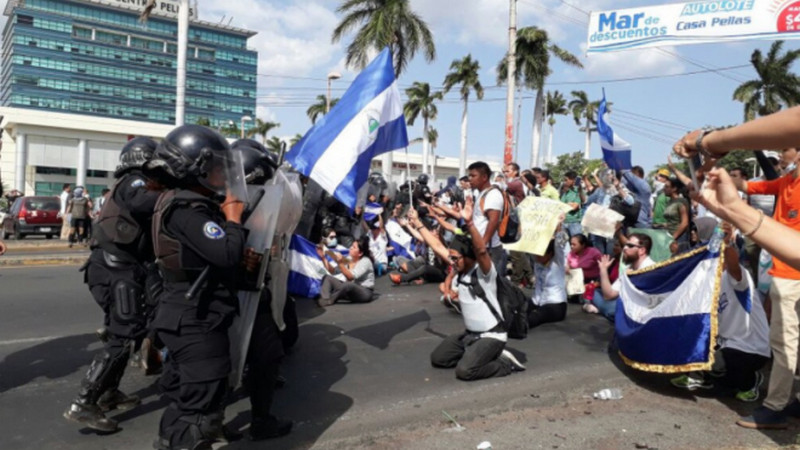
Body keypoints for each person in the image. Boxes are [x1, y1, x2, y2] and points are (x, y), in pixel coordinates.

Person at [145, 125, 250, 450]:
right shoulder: (188, 210)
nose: (222, 173)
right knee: (195, 404)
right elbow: (227, 254)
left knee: (191, 395)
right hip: (195, 318)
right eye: (216, 166)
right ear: (195, 168)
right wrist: (233, 219)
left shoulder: (179, 203)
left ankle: (170, 441)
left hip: (192, 312)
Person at [63, 137, 161, 433]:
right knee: (123, 334)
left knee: (129, 332)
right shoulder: (134, 181)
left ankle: (108, 392)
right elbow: (144, 202)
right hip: (115, 269)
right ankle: (84, 403)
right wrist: (177, 193)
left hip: (121, 269)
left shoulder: (135, 182)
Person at [230, 138, 292, 441]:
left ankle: (261, 418)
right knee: (216, 362)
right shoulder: (210, 205)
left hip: (255, 289)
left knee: (267, 355)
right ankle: (207, 421)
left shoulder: (262, 203)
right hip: (224, 294)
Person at [670, 222, 770, 403]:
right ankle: (705, 377)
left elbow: (734, 267)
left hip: (751, 347)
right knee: (690, 333)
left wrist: (728, 244)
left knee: (728, 364)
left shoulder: (738, 278)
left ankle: (750, 382)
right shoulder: (707, 283)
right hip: (725, 342)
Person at [430, 196, 525, 381]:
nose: (452, 262)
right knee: (439, 358)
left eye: (456, 258)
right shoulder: (460, 271)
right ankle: (476, 354)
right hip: (471, 335)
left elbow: (481, 251)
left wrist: (470, 223)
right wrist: (416, 223)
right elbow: (435, 245)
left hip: (492, 336)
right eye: (451, 257)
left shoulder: (484, 274)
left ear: (468, 258)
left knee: (466, 372)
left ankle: (505, 363)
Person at [591, 233, 655, 321]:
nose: (624, 248)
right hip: (625, 305)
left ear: (642, 250)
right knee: (593, 292)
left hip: (641, 313)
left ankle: (602, 310)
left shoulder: (652, 269)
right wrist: (603, 270)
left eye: (630, 246)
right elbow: (609, 295)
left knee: (611, 308)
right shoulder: (629, 269)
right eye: (625, 245)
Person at [467, 161, 506, 275]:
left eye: (473, 176)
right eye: (469, 175)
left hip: (489, 248)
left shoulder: (492, 194)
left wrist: (483, 244)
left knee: (491, 285)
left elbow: (493, 221)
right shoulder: (481, 194)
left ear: (484, 177)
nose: (470, 179)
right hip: (481, 246)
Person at [317, 235, 375, 307]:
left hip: (364, 292)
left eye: (353, 247)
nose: (350, 248)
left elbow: (351, 277)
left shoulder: (366, 261)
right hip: (350, 290)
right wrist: (323, 257)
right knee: (327, 278)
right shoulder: (349, 259)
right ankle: (325, 298)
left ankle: (330, 300)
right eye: (351, 246)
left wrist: (340, 263)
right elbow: (333, 271)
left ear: (360, 253)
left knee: (348, 284)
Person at [528, 226, 569, 328]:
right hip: (537, 301)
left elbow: (560, 244)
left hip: (555, 305)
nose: (537, 257)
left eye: (541, 254)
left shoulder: (557, 262)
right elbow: (527, 244)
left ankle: (518, 328)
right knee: (518, 309)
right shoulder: (537, 262)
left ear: (550, 254)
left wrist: (559, 227)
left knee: (535, 316)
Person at [662, 177, 690, 255]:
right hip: (669, 236)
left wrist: (673, 238)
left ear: (674, 189)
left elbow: (684, 223)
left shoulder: (681, 202)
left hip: (679, 238)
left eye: (667, 187)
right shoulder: (670, 202)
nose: (664, 189)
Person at [560, 171, 584, 237]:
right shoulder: (566, 193)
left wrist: (566, 205)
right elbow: (560, 206)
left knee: (577, 243)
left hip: (574, 222)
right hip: (564, 222)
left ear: (573, 180)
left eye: (566, 180)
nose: (565, 182)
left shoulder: (577, 192)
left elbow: (574, 207)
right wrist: (568, 204)